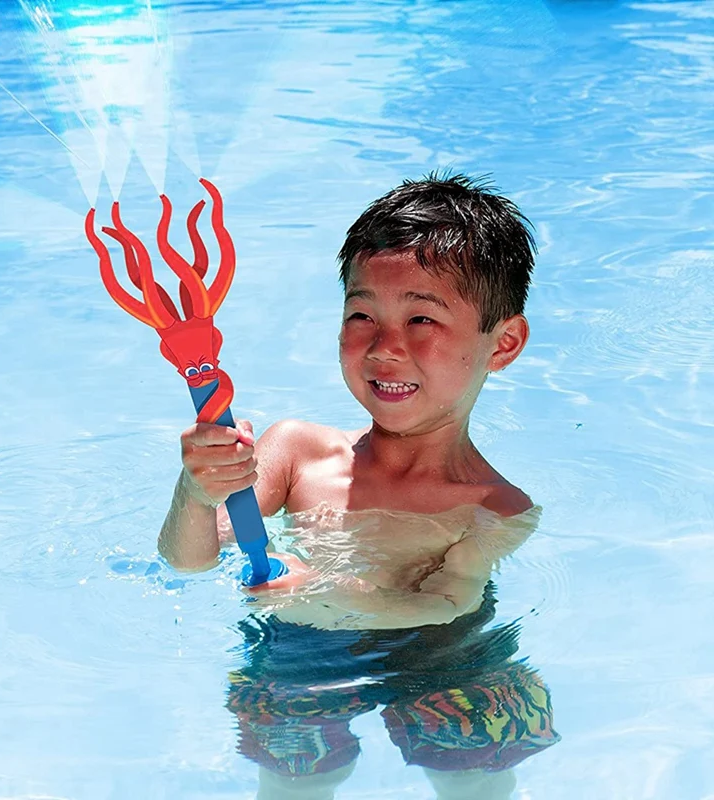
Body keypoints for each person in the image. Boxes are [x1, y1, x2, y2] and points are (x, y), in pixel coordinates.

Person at [158, 172, 559, 797]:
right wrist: (197, 488)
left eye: (422, 318)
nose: (385, 348)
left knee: (478, 769)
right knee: (294, 781)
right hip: (300, 649)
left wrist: (318, 589)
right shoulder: (296, 452)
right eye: (362, 314)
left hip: (445, 653)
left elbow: (447, 603)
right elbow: (188, 561)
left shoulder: (497, 509)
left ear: (502, 343)